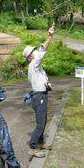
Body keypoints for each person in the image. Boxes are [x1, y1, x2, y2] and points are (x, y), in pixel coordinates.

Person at [22, 26, 55, 158]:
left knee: (43, 121)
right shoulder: (34, 64)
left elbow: (40, 79)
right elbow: (43, 50)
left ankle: (40, 143)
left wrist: (46, 84)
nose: (36, 52)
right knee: (40, 124)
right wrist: (50, 36)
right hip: (39, 96)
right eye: (34, 51)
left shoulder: (36, 67)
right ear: (30, 57)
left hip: (41, 95)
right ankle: (33, 147)